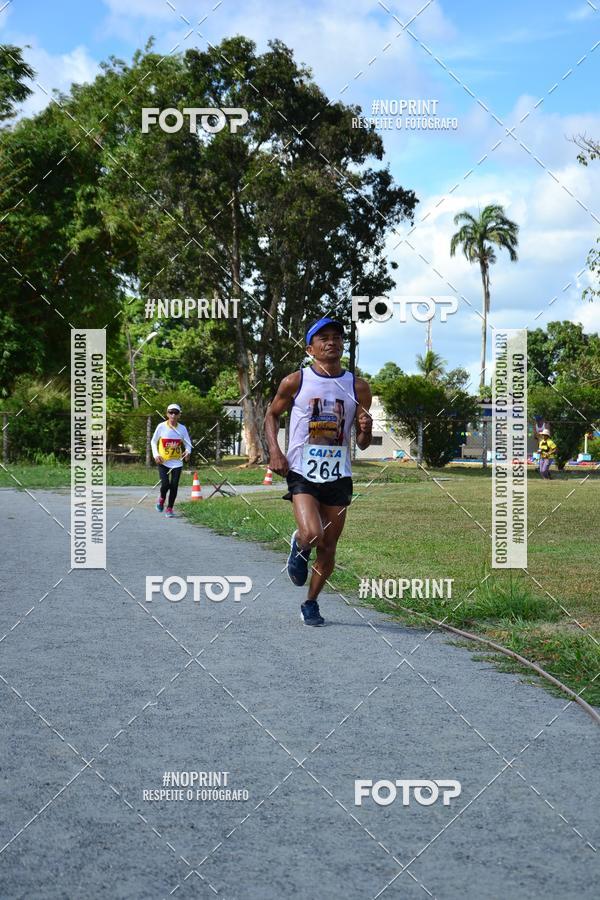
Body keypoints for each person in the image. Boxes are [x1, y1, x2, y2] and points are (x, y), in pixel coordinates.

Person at [264, 317, 373, 626]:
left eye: (337, 337)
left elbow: (363, 444)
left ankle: (310, 602)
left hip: (339, 474)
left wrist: (366, 429)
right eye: (323, 338)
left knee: (328, 546)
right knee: (313, 534)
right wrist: (275, 451)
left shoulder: (358, 386)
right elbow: (271, 415)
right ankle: (300, 543)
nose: (332, 342)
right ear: (310, 348)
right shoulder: (295, 381)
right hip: (302, 470)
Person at [151, 403, 192, 516]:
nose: (173, 415)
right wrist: (156, 455)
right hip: (163, 461)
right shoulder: (161, 426)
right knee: (165, 484)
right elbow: (153, 441)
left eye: (176, 413)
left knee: (174, 486)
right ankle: (161, 499)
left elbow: (188, 443)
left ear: (179, 415)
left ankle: (169, 508)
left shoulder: (182, 429)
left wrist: (188, 452)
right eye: (171, 412)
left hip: (177, 462)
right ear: (167, 414)